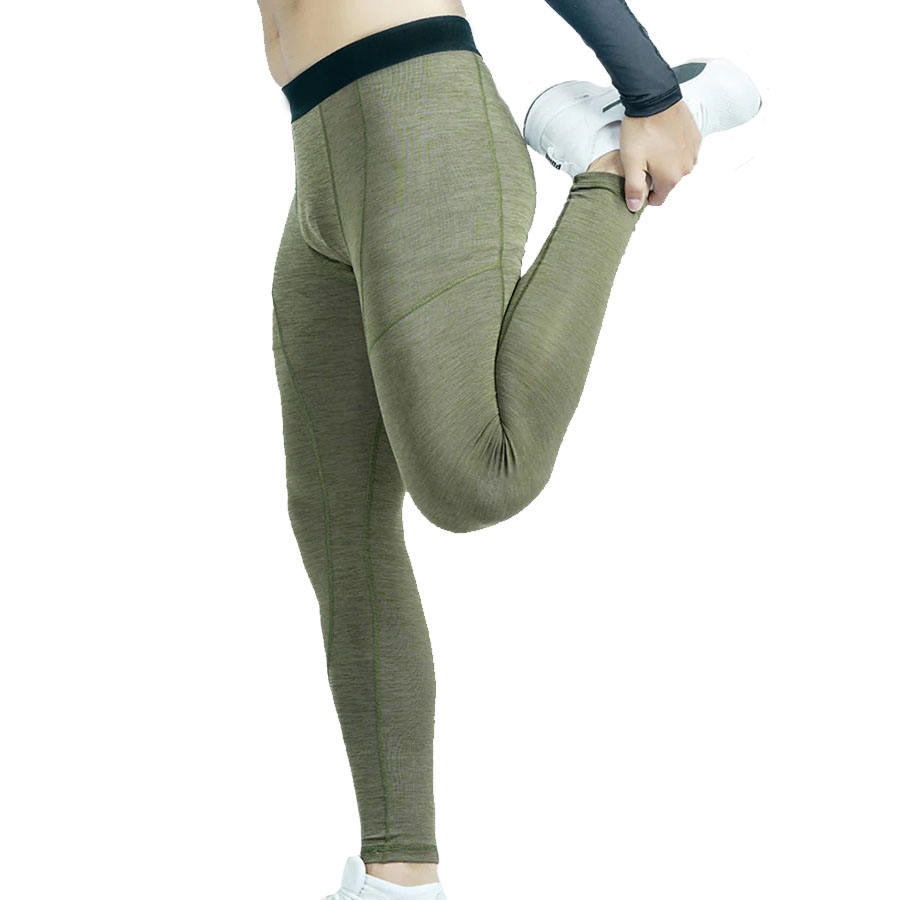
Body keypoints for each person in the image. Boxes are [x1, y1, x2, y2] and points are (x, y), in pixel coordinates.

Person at [255, 1, 761, 897]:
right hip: (321, 150)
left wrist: (651, 94)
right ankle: (400, 878)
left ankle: (603, 167)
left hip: (420, 123)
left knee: (476, 481)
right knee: (334, 517)